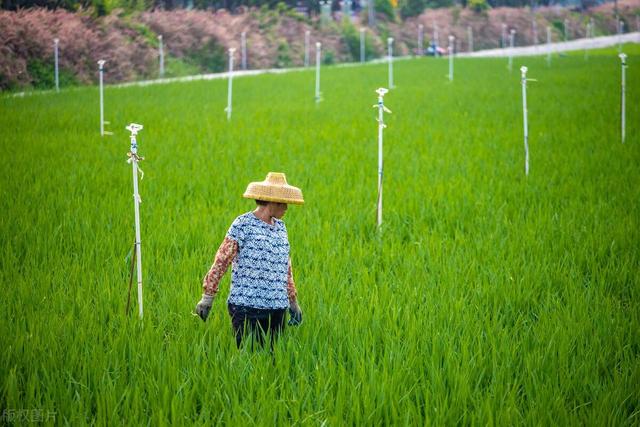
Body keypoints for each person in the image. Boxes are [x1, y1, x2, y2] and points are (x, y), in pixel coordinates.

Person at [194, 172, 304, 349]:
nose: (286, 208)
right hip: (247, 307)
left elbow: (286, 268)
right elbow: (221, 261)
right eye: (283, 203)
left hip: (277, 307)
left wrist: (293, 302)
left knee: (273, 361)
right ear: (272, 201)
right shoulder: (242, 224)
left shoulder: (281, 228)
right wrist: (208, 297)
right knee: (248, 359)